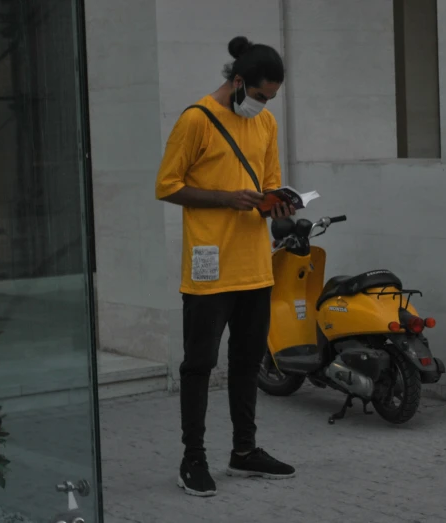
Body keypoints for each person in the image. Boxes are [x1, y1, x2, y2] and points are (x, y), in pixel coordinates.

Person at [155, 36, 296, 497]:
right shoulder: (196, 120)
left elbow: (269, 183)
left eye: (270, 98)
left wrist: (276, 206)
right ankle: (192, 459)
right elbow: (167, 186)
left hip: (255, 264)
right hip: (209, 265)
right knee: (199, 364)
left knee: (247, 361)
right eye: (259, 95)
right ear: (237, 82)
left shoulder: (267, 123)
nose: (264, 104)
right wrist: (225, 199)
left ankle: (244, 451)